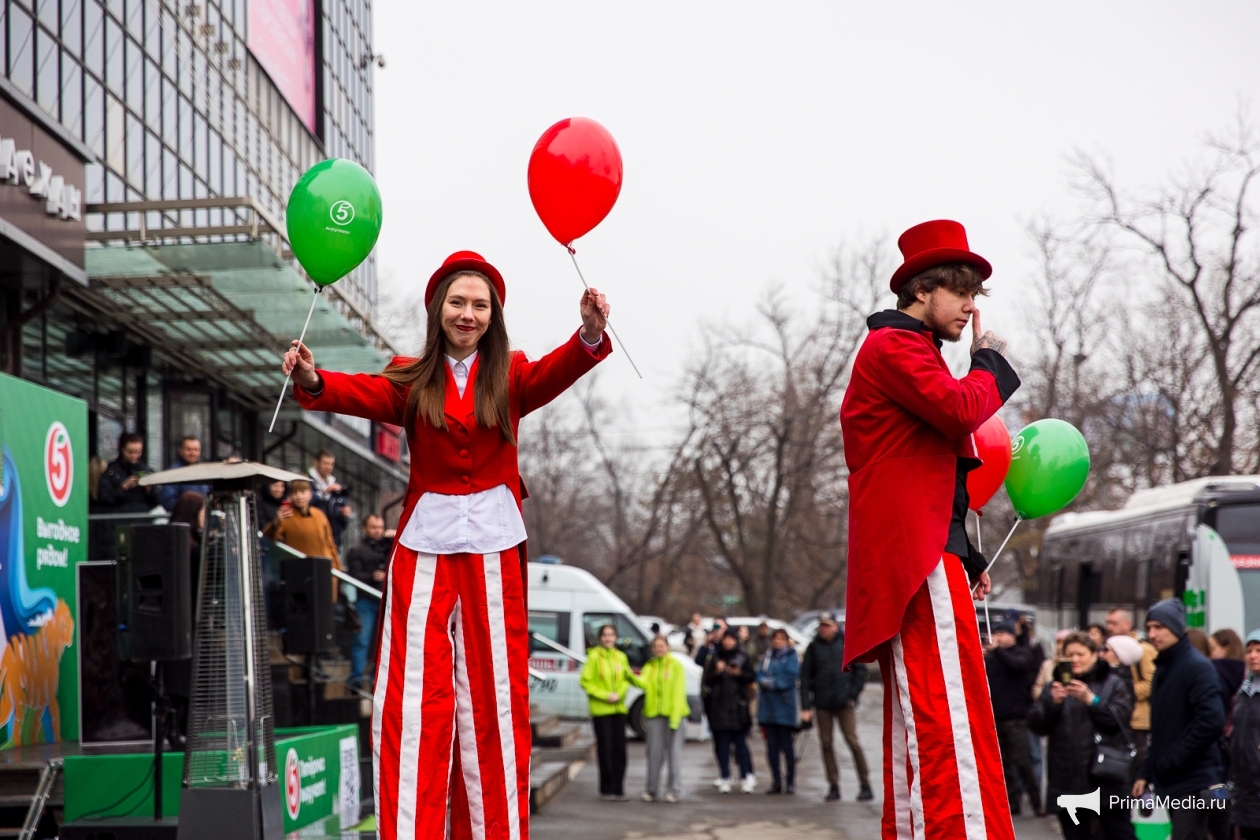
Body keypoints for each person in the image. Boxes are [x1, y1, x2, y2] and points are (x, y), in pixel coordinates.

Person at [282, 250, 612, 839]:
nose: (468, 314)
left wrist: (588, 332)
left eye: (480, 304)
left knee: (494, 702)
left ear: (494, 314)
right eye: (458, 302)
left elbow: (562, 369)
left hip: (494, 547)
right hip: (425, 547)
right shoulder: (411, 376)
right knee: (414, 702)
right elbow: (358, 392)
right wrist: (311, 378)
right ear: (439, 310)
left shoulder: (511, 374)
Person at [839, 220, 1020, 839]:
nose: (972, 305)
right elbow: (961, 409)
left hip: (920, 555)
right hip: (916, 560)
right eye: (962, 290)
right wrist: (989, 360)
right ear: (923, 290)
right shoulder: (896, 348)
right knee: (949, 720)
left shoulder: (906, 351)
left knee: (923, 718)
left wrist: (968, 555)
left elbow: (934, 474)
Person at [1131, 599, 1226, 840]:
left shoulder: (1196, 667)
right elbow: (1161, 729)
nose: (1152, 634)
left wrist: (1174, 758)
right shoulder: (1164, 667)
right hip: (1173, 777)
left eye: (1159, 627)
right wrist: (1146, 772)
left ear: (1176, 628)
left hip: (1194, 779)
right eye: (1149, 628)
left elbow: (1211, 721)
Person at [1028, 632, 1136, 840]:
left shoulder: (1113, 683)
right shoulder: (1055, 686)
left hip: (1106, 775)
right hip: (1067, 778)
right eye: (1069, 655)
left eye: (1081, 654)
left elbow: (1120, 719)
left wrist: (1092, 700)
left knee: (1119, 833)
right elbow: (1036, 725)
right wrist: (1053, 704)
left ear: (1095, 655)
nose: (1075, 660)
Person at [800, 611, 872, 802]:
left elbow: (860, 670)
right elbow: (805, 677)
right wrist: (806, 706)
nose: (823, 629)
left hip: (844, 702)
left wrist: (853, 694)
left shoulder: (847, 643)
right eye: (821, 626)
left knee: (852, 741)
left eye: (827, 625)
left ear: (835, 626)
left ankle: (865, 784)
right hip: (822, 703)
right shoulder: (814, 647)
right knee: (826, 744)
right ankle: (833, 784)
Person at [984, 621, 1043, 816]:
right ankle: (1012, 803)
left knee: (1023, 761)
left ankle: (1036, 803)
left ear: (1012, 636)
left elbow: (1018, 665)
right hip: (996, 716)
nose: (998, 637)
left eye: (1002, 633)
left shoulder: (1021, 652)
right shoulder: (993, 657)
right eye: (996, 633)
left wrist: (997, 651)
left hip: (1016, 717)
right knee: (1004, 764)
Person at [580, 623, 641, 801]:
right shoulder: (593, 657)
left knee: (620, 750)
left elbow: (626, 678)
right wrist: (605, 695)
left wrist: (619, 693)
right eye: (605, 635)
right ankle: (606, 789)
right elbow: (585, 682)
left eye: (611, 635)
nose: (608, 638)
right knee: (606, 750)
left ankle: (619, 788)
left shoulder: (621, 657)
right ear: (600, 638)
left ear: (616, 637)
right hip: (601, 711)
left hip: (618, 710)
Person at [165, 491, 206, 745]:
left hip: (177, 621)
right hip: (188, 620)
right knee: (185, 677)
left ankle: (176, 728)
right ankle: (179, 728)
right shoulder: (192, 550)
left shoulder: (174, 543)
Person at [261, 480, 342, 595]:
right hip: (300, 571)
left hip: (325, 570)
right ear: (290, 496)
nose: (299, 496)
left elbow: (330, 543)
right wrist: (276, 521)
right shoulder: (287, 516)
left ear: (310, 494)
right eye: (295, 493)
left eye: (303, 492)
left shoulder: (319, 514)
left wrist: (338, 568)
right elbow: (267, 536)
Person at [704, 629, 756, 793]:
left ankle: (745, 776)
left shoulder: (743, 656)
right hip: (719, 707)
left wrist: (739, 673)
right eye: (725, 639)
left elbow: (751, 677)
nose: (728, 642)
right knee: (723, 745)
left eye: (731, 639)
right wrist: (717, 672)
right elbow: (707, 680)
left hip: (738, 707)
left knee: (741, 745)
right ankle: (725, 776)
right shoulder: (715, 657)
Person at [1105, 607, 1157, 771]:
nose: (1109, 627)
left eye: (1114, 623)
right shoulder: (1109, 648)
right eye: (1108, 623)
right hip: (1120, 718)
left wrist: (1125, 694)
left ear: (1128, 624)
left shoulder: (1142, 649)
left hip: (1137, 721)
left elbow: (1151, 682)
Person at [639, 636, 689, 803]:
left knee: (674, 755)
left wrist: (675, 718)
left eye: (662, 646)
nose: (659, 649)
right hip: (655, 715)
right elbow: (643, 682)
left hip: (674, 716)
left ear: (668, 647)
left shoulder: (676, 666)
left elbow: (678, 693)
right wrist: (626, 675)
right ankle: (651, 790)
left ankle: (673, 790)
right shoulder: (650, 666)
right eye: (656, 646)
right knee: (653, 754)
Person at [343, 513, 390, 689]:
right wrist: (371, 576)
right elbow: (353, 576)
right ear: (365, 528)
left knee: (382, 644)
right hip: (365, 601)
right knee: (361, 640)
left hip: (385, 602)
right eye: (373, 527)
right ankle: (356, 677)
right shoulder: (357, 550)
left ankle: (375, 679)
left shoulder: (388, 548)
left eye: (380, 527)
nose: (377, 531)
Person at [757, 628, 800, 795]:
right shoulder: (767, 657)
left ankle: (790, 781)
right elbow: (759, 675)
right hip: (768, 709)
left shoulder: (791, 657)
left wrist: (771, 684)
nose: (778, 641)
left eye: (782, 638)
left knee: (787, 747)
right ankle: (776, 780)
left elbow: (789, 678)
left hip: (785, 708)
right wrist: (765, 682)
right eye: (776, 638)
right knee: (771, 748)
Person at [1231, 629, 1260, 840]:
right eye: (1249, 650)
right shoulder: (1244, 691)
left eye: (1259, 650)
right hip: (1244, 781)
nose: (1253, 655)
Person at [96, 433, 160, 512]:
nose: (134, 456)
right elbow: (104, 498)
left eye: (138, 452)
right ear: (122, 450)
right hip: (120, 517)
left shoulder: (146, 469)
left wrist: (149, 490)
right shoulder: (111, 471)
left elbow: (157, 499)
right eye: (130, 452)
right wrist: (124, 487)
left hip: (142, 517)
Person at [309, 451, 353, 548]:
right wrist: (323, 493)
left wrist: (344, 515)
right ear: (316, 462)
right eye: (325, 463)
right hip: (314, 539)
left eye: (331, 464)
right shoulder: (308, 482)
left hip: (333, 543)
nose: (329, 467)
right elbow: (306, 503)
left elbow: (343, 523)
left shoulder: (335, 486)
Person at [157, 436, 211, 510]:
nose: (193, 453)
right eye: (189, 450)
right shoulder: (173, 473)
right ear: (180, 450)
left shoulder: (203, 471)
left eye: (196, 450)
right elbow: (168, 501)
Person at [1209, 628, 1247, 698]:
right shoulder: (1248, 674)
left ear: (1227, 647)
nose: (1209, 654)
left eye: (1212, 649)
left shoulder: (1216, 675)